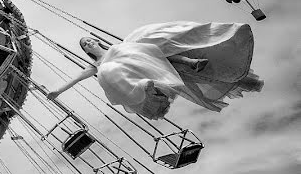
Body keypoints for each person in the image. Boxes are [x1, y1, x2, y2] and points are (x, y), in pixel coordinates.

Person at [46, 22, 262, 120]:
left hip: (151, 61)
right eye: (86, 44)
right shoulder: (99, 65)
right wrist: (57, 91)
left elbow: (147, 50)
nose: (90, 43)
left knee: (146, 42)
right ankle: (148, 87)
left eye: (90, 39)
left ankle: (188, 60)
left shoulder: (119, 47)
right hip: (141, 76)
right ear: (86, 51)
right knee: (109, 70)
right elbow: (76, 79)